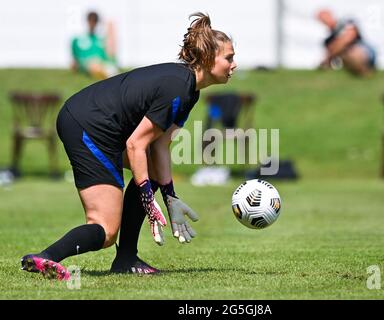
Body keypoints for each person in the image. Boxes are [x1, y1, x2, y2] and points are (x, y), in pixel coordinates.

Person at [20, 12, 237, 279]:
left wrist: (170, 198)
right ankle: (46, 257)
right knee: (106, 229)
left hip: (98, 125)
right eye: (229, 57)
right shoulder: (178, 86)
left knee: (153, 171)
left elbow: (159, 147)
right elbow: (136, 145)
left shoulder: (189, 90)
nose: (233, 64)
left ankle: (126, 259)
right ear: (207, 58)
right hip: (89, 126)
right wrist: (148, 198)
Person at [317, 9, 376, 77]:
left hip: (365, 52)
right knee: (345, 54)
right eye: (322, 18)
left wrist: (331, 54)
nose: (325, 20)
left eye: (326, 16)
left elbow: (349, 37)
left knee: (351, 52)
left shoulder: (346, 22)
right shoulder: (328, 40)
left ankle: (365, 73)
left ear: (331, 14)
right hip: (347, 57)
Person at [71, 11, 119, 79]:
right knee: (94, 65)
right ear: (87, 21)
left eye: (95, 21)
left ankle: (110, 74)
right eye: (91, 20)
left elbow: (110, 57)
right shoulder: (77, 40)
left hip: (101, 64)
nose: (92, 23)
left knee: (104, 66)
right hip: (88, 65)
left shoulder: (101, 40)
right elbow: (75, 60)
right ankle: (110, 75)